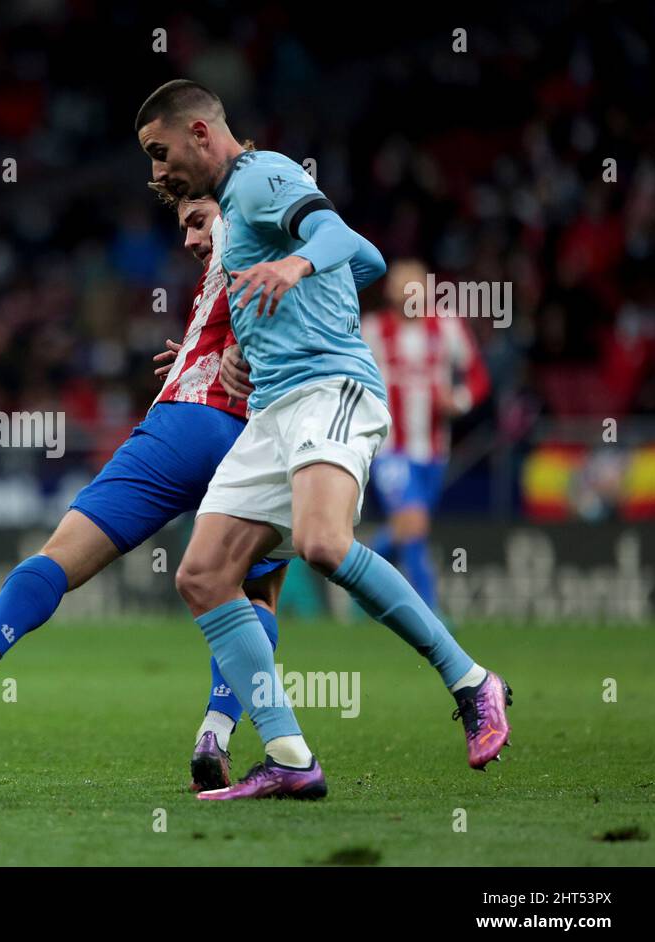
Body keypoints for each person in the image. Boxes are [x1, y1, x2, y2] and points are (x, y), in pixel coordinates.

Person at [134, 79, 512, 801]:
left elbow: (348, 243)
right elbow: (345, 272)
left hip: (329, 390)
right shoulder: (241, 209)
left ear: (201, 134)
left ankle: (471, 682)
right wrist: (231, 350)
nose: (158, 173)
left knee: (322, 542)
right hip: (274, 408)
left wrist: (298, 263)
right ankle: (288, 757)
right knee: (203, 575)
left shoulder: (263, 173)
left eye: (161, 153)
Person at [0, 193, 287, 792]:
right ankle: (216, 727)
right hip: (250, 440)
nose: (189, 239)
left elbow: (282, 264)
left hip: (181, 427)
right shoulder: (255, 242)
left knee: (58, 559)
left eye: (194, 221)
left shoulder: (252, 211)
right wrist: (204, 352)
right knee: (252, 592)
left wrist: (234, 347)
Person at [362, 259, 491, 610]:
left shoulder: (446, 326)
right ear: (391, 292)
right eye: (403, 287)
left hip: (434, 450)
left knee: (410, 528)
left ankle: (355, 568)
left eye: (416, 286)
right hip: (389, 448)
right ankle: (430, 613)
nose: (410, 294)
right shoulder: (372, 330)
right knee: (414, 524)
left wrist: (460, 401)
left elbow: (478, 376)